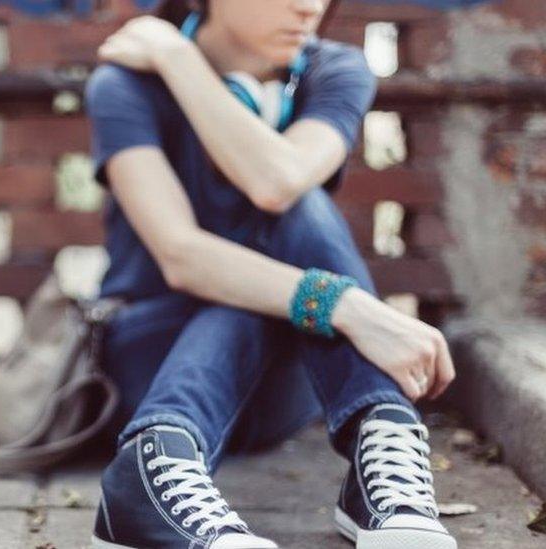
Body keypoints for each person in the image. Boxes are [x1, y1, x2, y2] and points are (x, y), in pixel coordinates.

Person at [82, 0, 458, 547]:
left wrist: (177, 56)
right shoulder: (126, 84)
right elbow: (182, 256)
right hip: (148, 360)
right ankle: (381, 427)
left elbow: (278, 179)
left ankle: (378, 439)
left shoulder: (336, 71)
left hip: (275, 388)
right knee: (264, 266)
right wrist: (346, 305)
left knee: (297, 212)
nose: (308, 5)